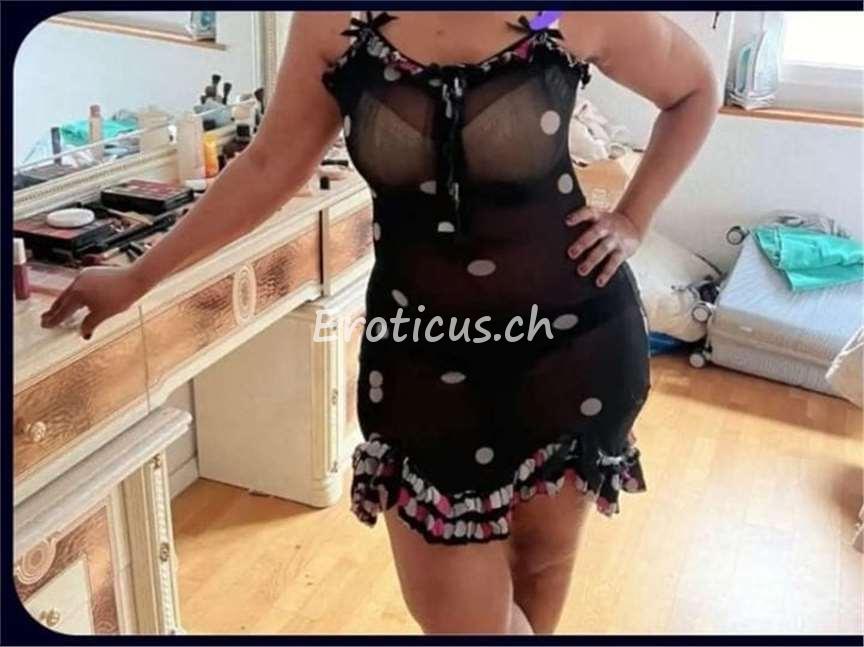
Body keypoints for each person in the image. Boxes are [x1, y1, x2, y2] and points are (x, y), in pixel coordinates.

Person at [41, 11, 720, 635]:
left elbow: (693, 89)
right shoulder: (335, 19)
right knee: (462, 619)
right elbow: (271, 165)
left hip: (573, 346)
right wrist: (138, 277)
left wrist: (634, 217)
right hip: (420, 363)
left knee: (541, 567)